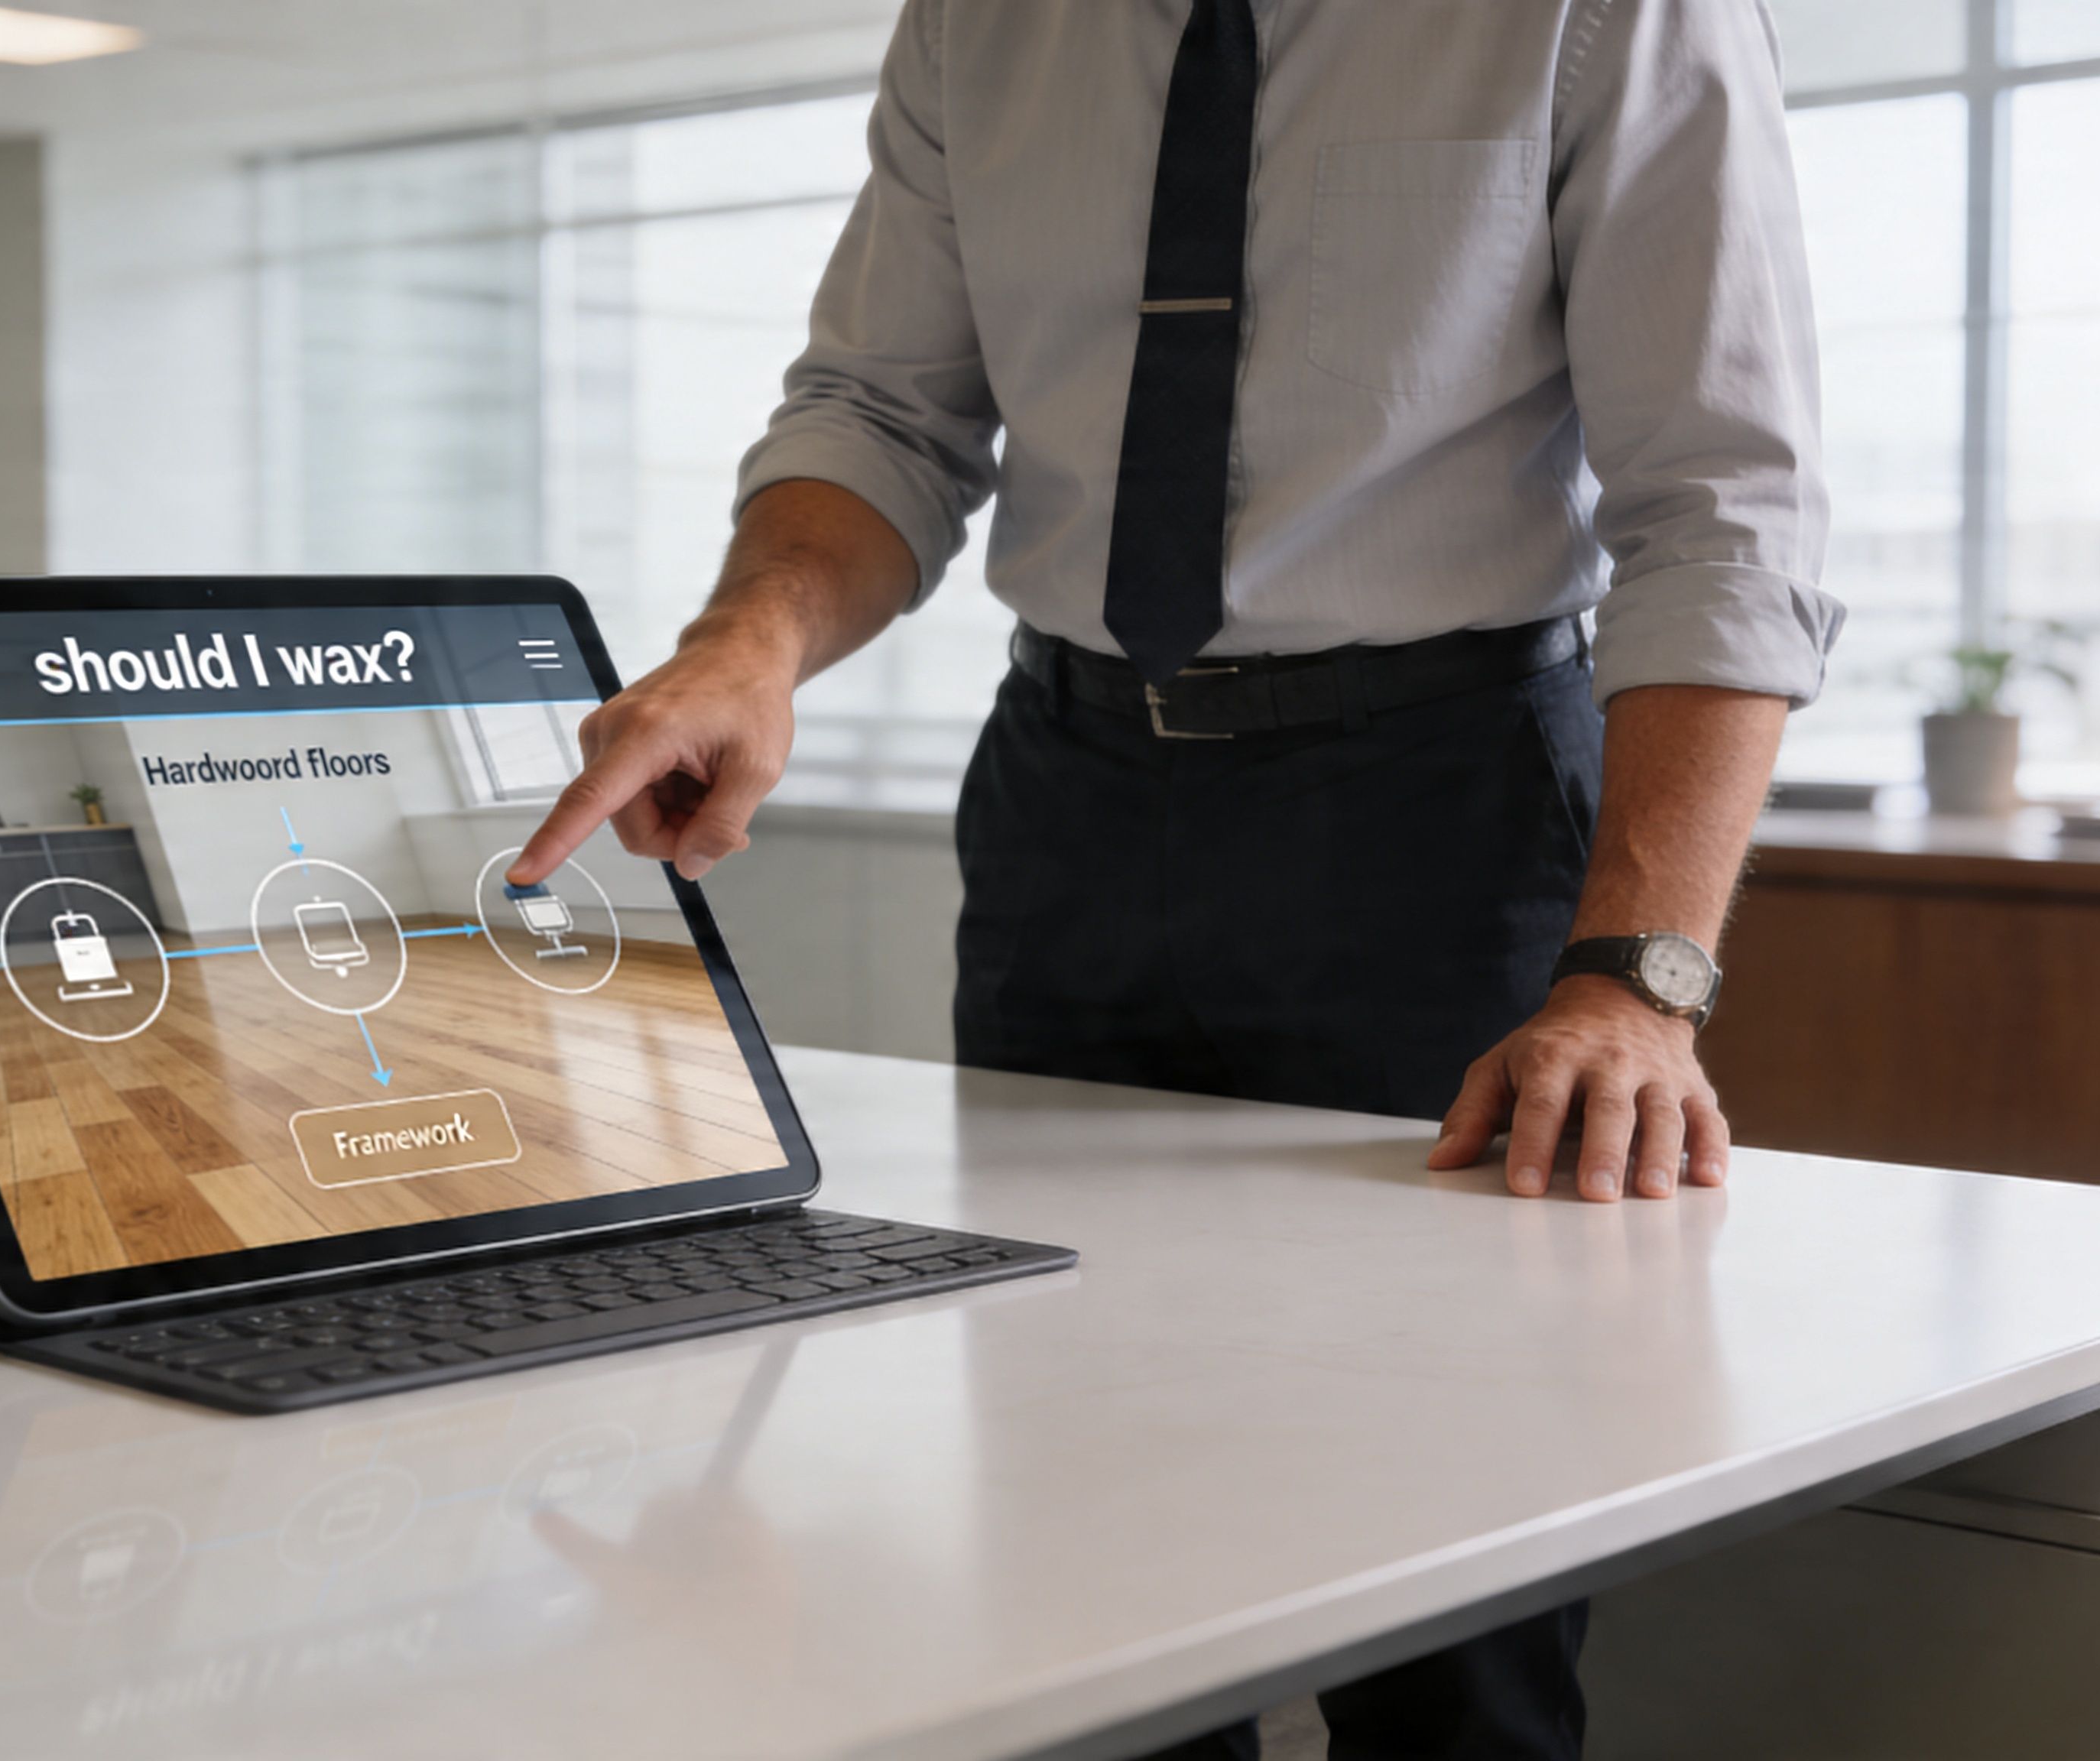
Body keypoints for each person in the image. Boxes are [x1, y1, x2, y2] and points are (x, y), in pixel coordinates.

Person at [508, 1, 1839, 1756]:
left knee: (1446, 1603)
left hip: (1439, 813)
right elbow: (883, 411)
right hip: (1069, 794)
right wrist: (746, 645)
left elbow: (1720, 502)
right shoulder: (983, 23)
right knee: (1076, 1548)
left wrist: (1635, 977)